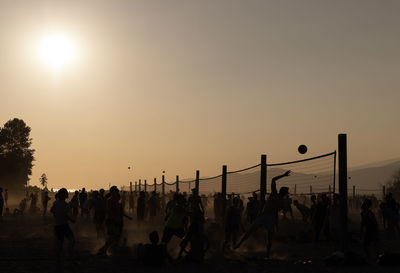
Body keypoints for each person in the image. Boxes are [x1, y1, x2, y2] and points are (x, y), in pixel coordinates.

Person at [234, 170, 291, 257]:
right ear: (284, 193)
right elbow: (276, 212)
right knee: (268, 236)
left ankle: (239, 245)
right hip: (269, 216)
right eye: (286, 193)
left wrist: (283, 175)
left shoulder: (276, 196)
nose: (286, 195)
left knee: (252, 231)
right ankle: (266, 253)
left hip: (266, 215)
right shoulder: (281, 200)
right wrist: (276, 224)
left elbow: (273, 180)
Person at [98, 186, 132, 256]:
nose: (117, 192)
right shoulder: (110, 201)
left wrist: (128, 217)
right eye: (115, 191)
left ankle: (110, 250)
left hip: (117, 222)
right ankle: (103, 250)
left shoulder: (117, 202)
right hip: (111, 221)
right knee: (112, 237)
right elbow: (109, 211)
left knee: (116, 238)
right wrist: (115, 218)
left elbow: (120, 212)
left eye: (117, 191)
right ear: (112, 192)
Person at [50, 188, 76, 258]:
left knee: (60, 242)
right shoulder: (65, 204)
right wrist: (72, 220)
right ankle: (69, 254)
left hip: (57, 225)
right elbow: (66, 215)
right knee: (71, 239)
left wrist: (57, 215)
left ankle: (58, 257)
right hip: (64, 225)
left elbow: (52, 210)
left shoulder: (55, 203)